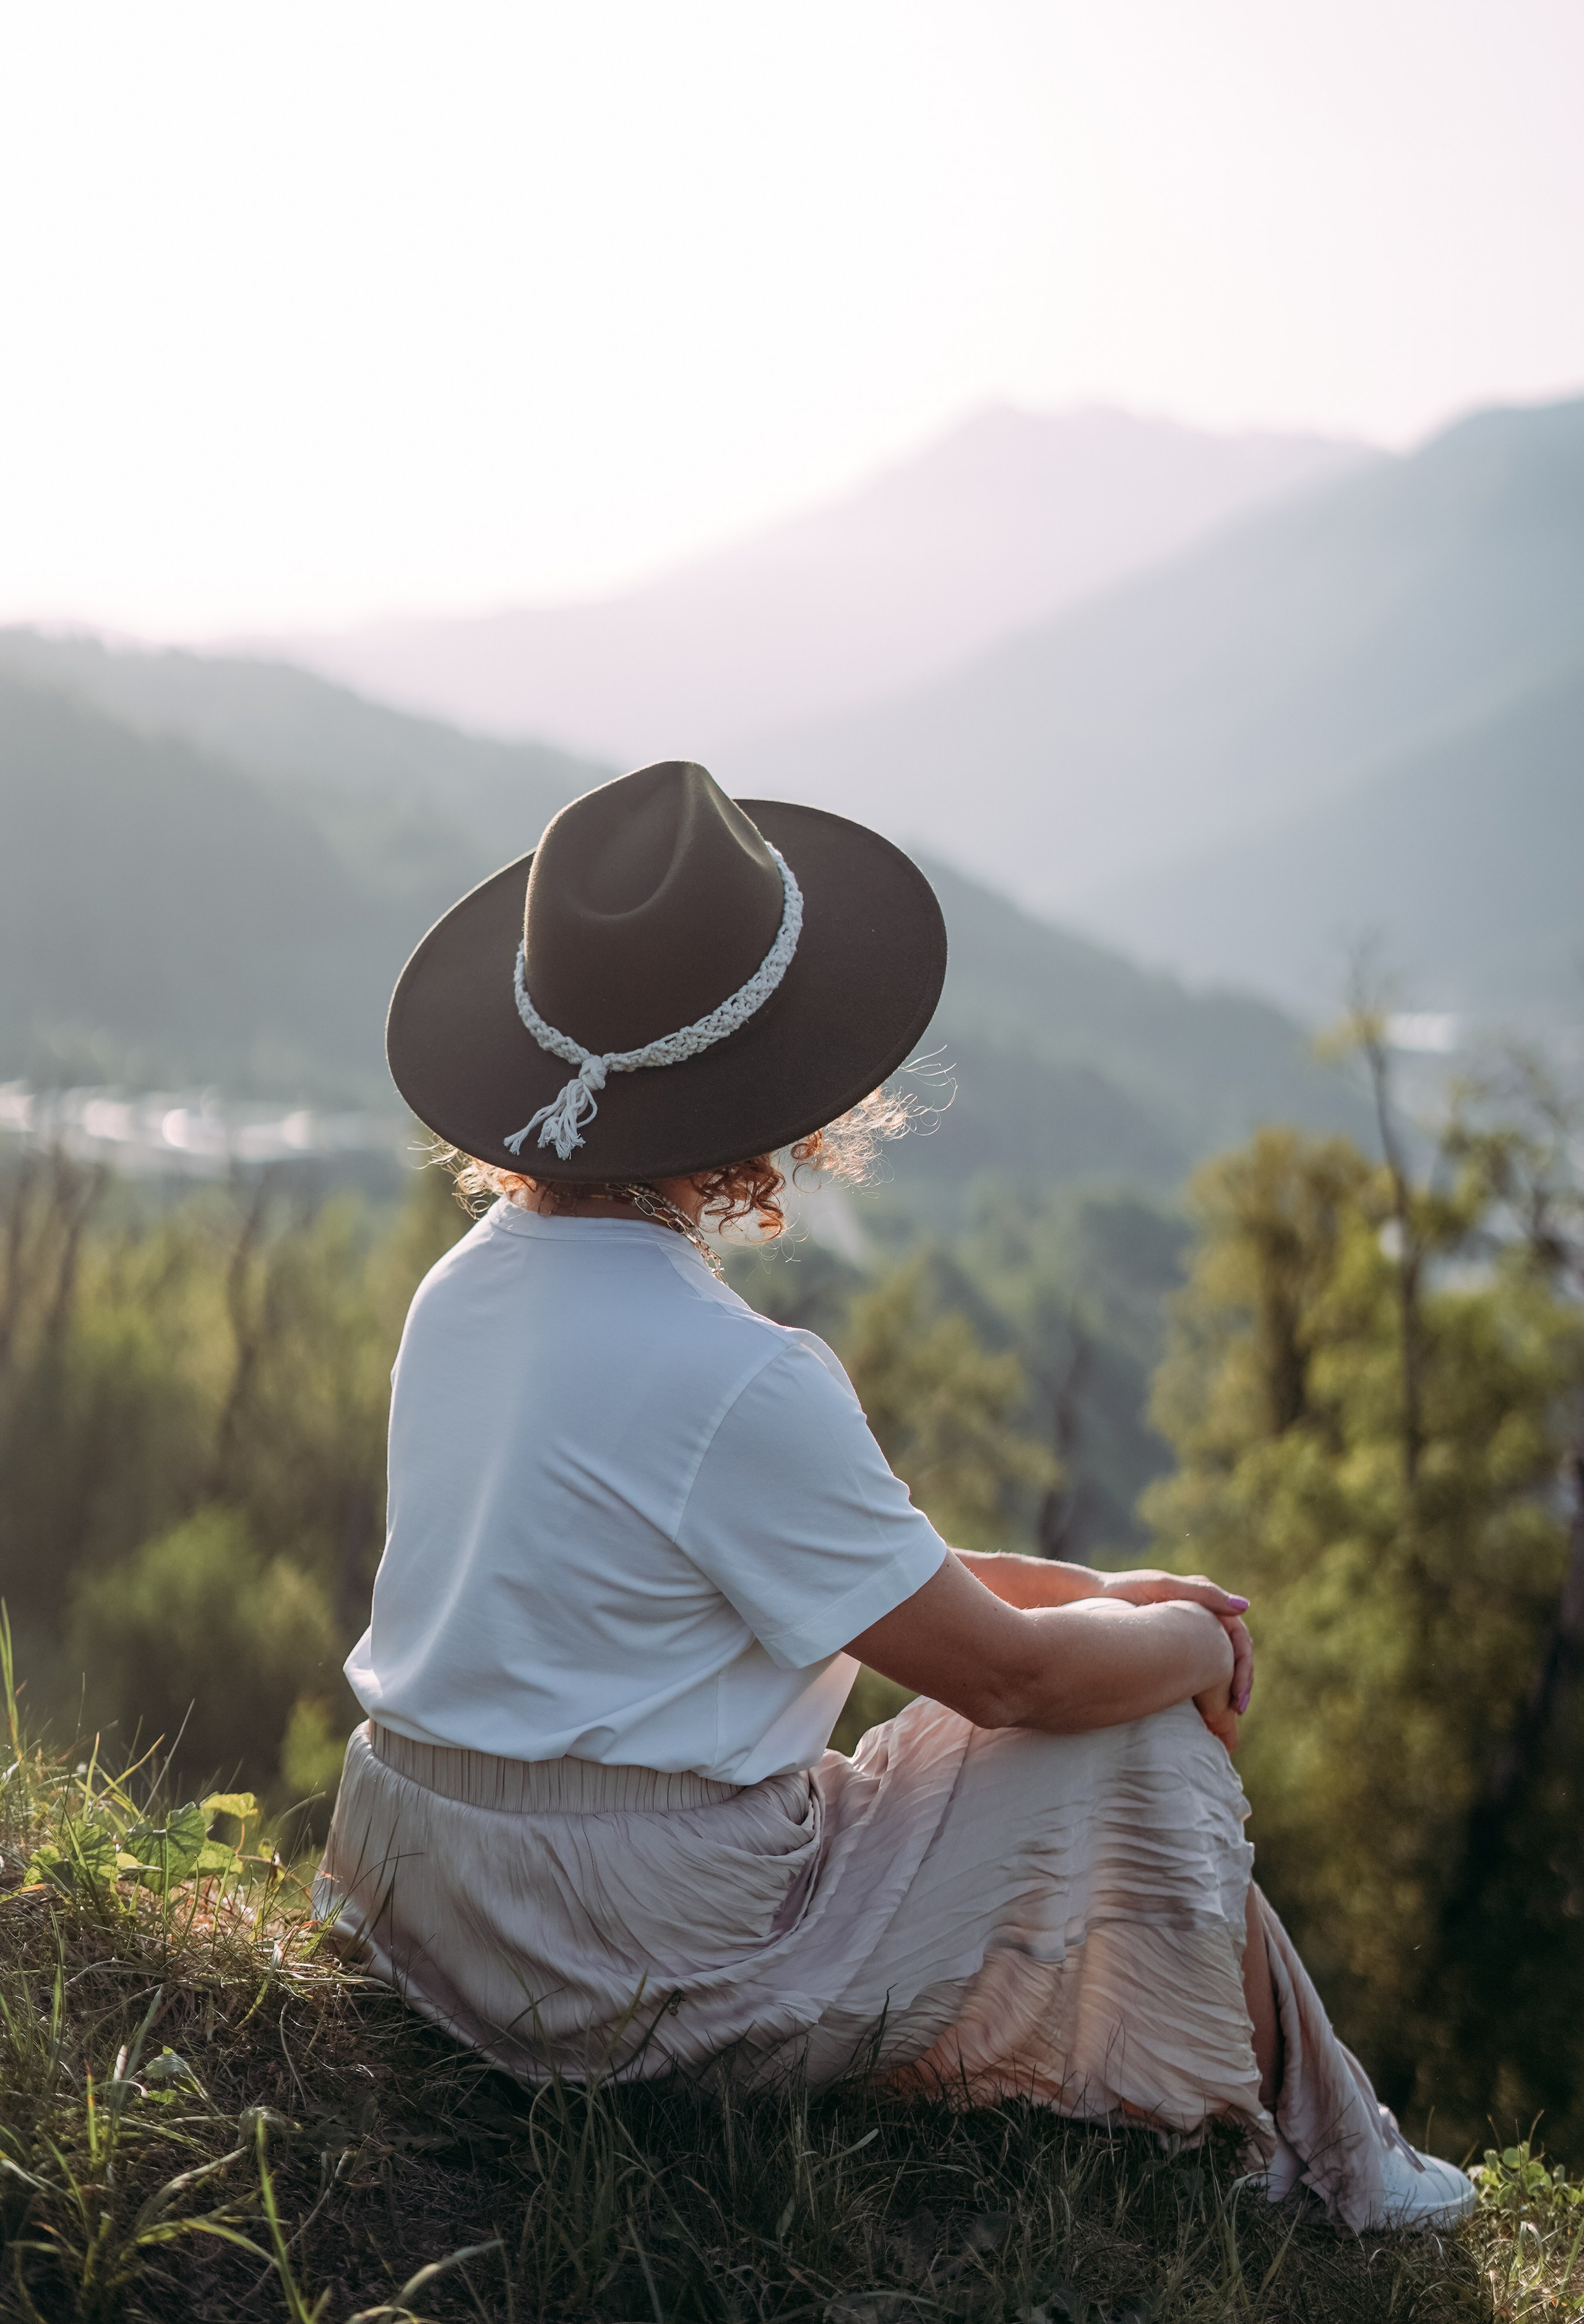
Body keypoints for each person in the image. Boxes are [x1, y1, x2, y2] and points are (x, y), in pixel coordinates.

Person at [316, 759, 1473, 2233]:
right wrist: (1197, 1651)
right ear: (765, 1097)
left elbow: (861, 1572)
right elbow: (1007, 1677)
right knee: (1138, 1751)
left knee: (1091, 1690)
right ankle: (1318, 2169)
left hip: (420, 1885)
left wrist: (1115, 1596)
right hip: (611, 1953)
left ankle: (1329, 2139)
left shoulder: (466, 1289)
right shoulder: (737, 1374)